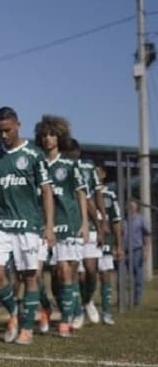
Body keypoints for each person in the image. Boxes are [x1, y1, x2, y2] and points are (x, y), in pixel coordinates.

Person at [0, 107, 55, 345]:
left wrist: (49, 226)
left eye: (7, 130)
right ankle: (14, 313)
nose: (3, 135)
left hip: (28, 225)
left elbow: (46, 191)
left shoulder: (34, 155)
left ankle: (27, 328)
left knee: (30, 276)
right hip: (1, 224)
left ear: (18, 125)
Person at [34, 115, 88, 338]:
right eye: (45, 135)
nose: (48, 139)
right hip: (40, 224)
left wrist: (84, 223)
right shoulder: (35, 163)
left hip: (68, 223)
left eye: (52, 134)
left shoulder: (70, 165)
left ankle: (67, 319)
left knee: (65, 271)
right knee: (33, 273)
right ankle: (47, 306)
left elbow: (81, 194)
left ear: (60, 137)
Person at [66, 138, 105, 326]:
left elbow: (93, 197)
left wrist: (101, 223)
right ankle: (77, 311)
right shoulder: (59, 168)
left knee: (91, 271)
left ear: (78, 152)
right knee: (74, 273)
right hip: (68, 227)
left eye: (73, 153)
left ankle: (87, 300)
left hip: (89, 225)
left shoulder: (87, 169)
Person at [95, 165, 123, 324]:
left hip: (105, 241)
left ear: (104, 174)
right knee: (83, 275)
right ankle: (85, 306)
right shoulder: (85, 191)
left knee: (105, 275)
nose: (95, 173)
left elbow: (116, 222)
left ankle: (106, 311)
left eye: (98, 171)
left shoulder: (110, 195)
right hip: (88, 239)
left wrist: (119, 245)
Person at [124, 199, 151, 306]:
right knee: (122, 277)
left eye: (132, 206)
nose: (130, 208)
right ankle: (122, 300)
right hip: (124, 251)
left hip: (137, 251)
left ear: (136, 207)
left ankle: (136, 301)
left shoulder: (141, 220)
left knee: (138, 277)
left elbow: (147, 235)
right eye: (128, 206)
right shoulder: (123, 220)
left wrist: (146, 250)